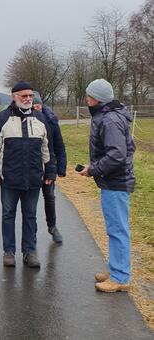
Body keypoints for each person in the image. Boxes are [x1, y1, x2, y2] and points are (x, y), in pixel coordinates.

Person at [0, 81, 56, 268]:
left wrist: (50, 171)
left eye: (30, 96)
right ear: (14, 96)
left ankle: (30, 252)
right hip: (9, 177)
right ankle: (9, 251)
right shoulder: (2, 118)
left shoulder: (41, 119)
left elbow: (47, 148)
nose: (28, 99)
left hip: (34, 177)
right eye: (24, 96)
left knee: (30, 215)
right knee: (8, 214)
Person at [78, 79, 135, 293]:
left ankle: (120, 277)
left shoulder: (109, 120)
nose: (86, 99)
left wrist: (93, 169)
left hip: (116, 181)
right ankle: (116, 269)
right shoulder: (108, 116)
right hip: (113, 179)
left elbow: (117, 154)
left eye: (88, 96)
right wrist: (94, 166)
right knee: (114, 229)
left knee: (118, 229)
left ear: (96, 99)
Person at [32, 92, 67, 243]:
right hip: (32, 167)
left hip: (49, 166)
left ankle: (52, 227)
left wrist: (61, 167)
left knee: (50, 197)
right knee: (30, 202)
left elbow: (59, 145)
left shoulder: (51, 121)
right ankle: (31, 231)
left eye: (38, 104)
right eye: (33, 105)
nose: (36, 107)